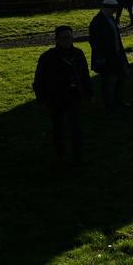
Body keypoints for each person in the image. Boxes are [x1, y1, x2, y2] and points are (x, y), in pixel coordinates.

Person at [32, 26, 93, 164]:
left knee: (76, 128)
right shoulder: (47, 57)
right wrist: (42, 99)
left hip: (74, 96)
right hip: (56, 98)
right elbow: (39, 80)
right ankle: (61, 154)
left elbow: (84, 74)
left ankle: (77, 156)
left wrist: (89, 92)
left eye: (70, 37)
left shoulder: (78, 54)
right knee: (58, 128)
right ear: (57, 39)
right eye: (64, 38)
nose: (67, 40)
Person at [89, 0, 130, 109]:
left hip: (116, 55)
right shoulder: (97, 22)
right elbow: (94, 42)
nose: (115, 11)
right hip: (106, 58)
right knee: (108, 82)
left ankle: (118, 101)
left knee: (120, 78)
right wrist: (101, 58)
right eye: (114, 9)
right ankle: (109, 104)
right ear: (107, 8)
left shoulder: (110, 18)